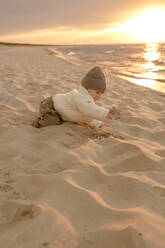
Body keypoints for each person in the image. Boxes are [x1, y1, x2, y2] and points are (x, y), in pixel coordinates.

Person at [32, 66, 120, 129]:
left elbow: (87, 115)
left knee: (62, 119)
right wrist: (106, 113)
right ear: (87, 88)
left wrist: (97, 123)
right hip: (50, 105)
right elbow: (90, 110)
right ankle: (36, 123)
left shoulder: (86, 100)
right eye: (97, 92)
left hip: (58, 107)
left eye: (101, 94)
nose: (99, 96)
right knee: (53, 121)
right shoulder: (80, 97)